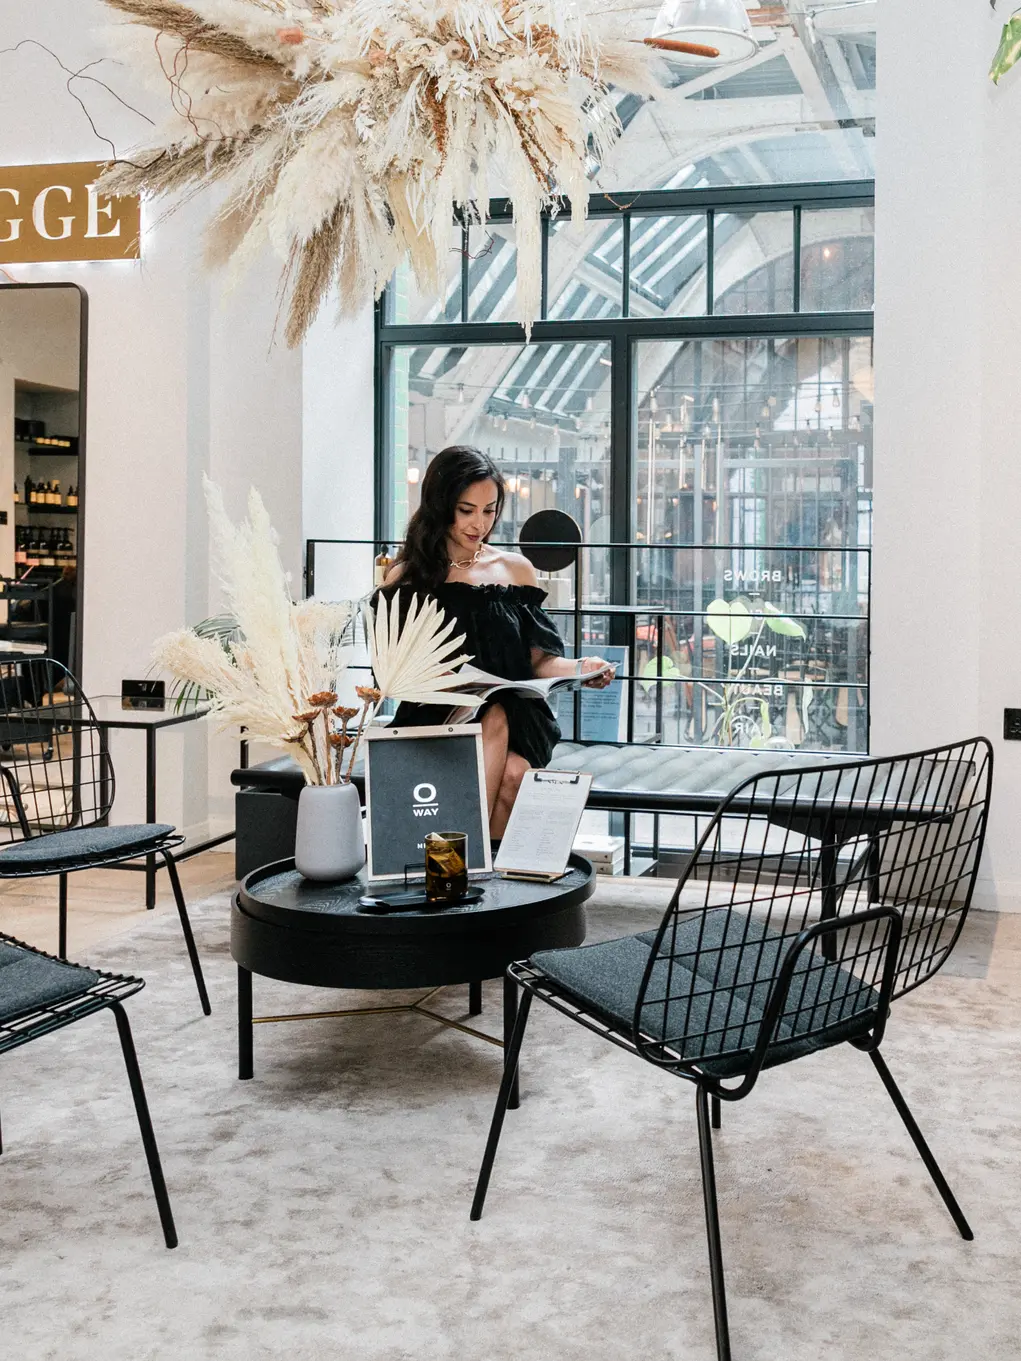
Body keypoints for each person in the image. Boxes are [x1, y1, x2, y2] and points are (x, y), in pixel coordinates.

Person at [380, 445, 614, 837]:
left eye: (489, 511)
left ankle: (463, 862)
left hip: (519, 719)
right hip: (437, 716)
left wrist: (580, 668)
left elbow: (538, 662)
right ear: (440, 507)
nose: (480, 524)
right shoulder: (406, 579)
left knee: (499, 714)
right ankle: (487, 874)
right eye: (466, 510)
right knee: (513, 772)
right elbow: (396, 672)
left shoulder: (516, 570)